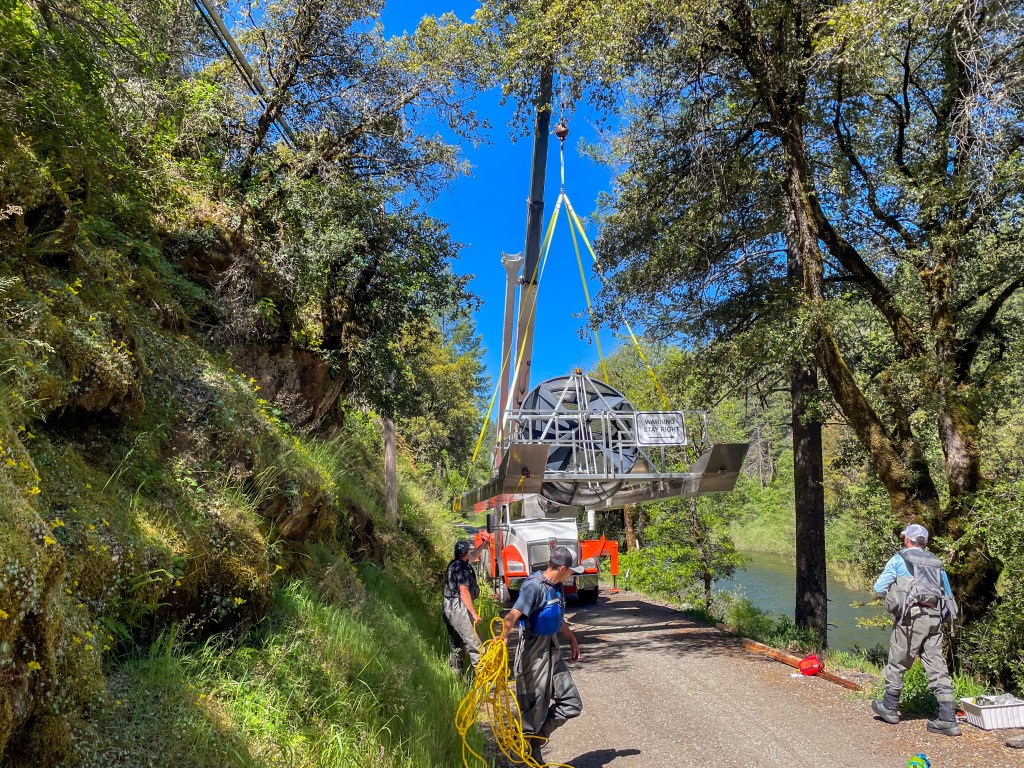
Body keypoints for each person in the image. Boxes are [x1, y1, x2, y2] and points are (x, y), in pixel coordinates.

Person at [871, 523, 961, 736]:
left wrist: (894, 594)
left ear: (907, 540)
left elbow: (879, 588)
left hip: (910, 618)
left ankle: (889, 707)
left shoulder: (900, 558)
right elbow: (947, 594)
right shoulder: (936, 562)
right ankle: (948, 718)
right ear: (925, 542)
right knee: (936, 664)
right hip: (934, 618)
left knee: (898, 660)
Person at [500, 546, 584, 764]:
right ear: (562, 568)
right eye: (571, 570)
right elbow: (512, 615)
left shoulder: (555, 587)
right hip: (532, 654)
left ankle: (535, 741)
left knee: (572, 703)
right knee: (532, 712)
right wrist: (502, 638)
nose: (572, 574)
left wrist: (572, 639)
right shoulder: (533, 586)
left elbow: (556, 618)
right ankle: (527, 756)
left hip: (552, 649)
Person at [443, 540, 481, 675]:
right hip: (459, 607)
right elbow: (464, 591)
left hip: (447, 607)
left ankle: (456, 675)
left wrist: (484, 546)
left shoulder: (454, 565)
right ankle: (485, 680)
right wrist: (474, 614)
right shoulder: (463, 569)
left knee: (456, 644)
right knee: (476, 644)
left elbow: (473, 556)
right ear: (465, 553)